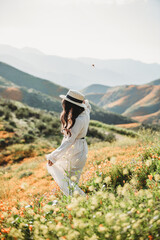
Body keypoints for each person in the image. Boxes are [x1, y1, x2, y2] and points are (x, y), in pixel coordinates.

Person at [45, 89, 91, 197]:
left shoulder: (78, 120)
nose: (63, 104)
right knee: (72, 181)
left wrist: (53, 157)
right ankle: (76, 203)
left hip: (75, 151)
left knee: (67, 181)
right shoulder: (85, 113)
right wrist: (85, 102)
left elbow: (69, 141)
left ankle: (81, 200)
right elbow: (88, 106)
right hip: (80, 149)